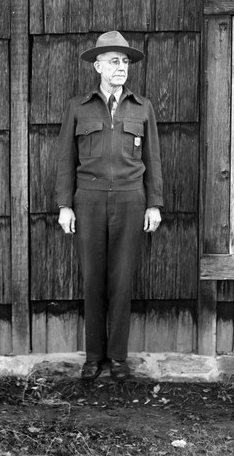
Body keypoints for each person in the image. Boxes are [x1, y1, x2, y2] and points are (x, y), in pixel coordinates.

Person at [55, 31, 163, 381]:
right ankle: (93, 357)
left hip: (131, 201)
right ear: (97, 65)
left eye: (126, 61)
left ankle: (117, 358)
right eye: (114, 61)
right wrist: (64, 205)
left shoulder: (142, 106)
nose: (121, 67)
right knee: (93, 280)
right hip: (87, 200)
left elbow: (154, 160)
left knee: (121, 280)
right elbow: (64, 160)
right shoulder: (77, 106)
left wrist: (154, 204)